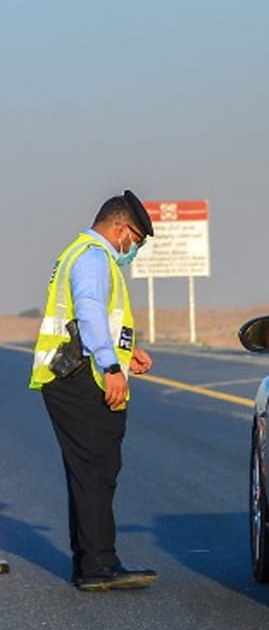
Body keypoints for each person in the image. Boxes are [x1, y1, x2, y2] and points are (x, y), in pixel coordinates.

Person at [27, 191, 158, 592]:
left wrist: (124, 348)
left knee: (91, 471)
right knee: (96, 470)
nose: (133, 248)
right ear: (120, 228)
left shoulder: (82, 253)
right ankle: (98, 565)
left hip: (73, 374)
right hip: (80, 377)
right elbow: (87, 309)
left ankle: (92, 562)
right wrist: (111, 365)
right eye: (135, 239)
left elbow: (95, 317)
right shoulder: (93, 257)